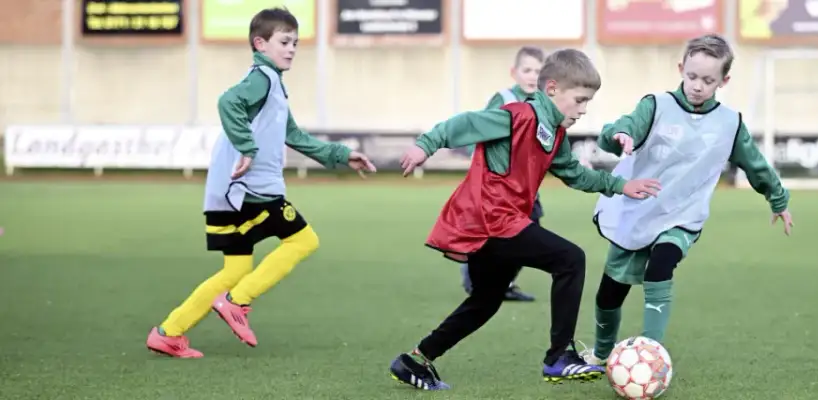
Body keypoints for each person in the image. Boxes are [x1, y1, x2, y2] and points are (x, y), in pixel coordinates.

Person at [388, 48, 662, 390]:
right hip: (491, 221)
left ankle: (416, 359)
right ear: (551, 89)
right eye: (579, 100)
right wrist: (424, 146)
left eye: (588, 101)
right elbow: (464, 123)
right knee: (570, 259)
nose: (583, 109)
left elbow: (575, 174)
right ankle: (558, 357)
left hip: (500, 224)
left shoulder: (555, 132)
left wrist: (622, 185)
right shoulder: (516, 115)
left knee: (486, 301)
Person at [144, 7, 377, 358]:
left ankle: (169, 332)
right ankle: (237, 302)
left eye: (295, 42)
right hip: (249, 190)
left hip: (228, 192)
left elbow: (293, 135)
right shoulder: (262, 78)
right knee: (303, 240)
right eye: (284, 41)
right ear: (260, 44)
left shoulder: (272, 84)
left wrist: (341, 155)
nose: (292, 48)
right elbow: (228, 102)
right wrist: (248, 148)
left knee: (235, 269)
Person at [577, 34, 793, 365]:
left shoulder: (729, 123)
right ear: (681, 68)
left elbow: (755, 164)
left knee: (661, 266)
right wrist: (618, 135)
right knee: (610, 293)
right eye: (692, 76)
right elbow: (625, 126)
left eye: (708, 80)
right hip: (637, 211)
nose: (697, 86)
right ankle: (602, 353)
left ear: (724, 80)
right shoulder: (656, 105)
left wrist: (778, 199)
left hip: (682, 216)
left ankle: (650, 356)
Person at [458, 46, 547, 302]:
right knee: (492, 234)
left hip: (527, 185)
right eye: (527, 70)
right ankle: (475, 281)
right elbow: (481, 129)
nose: (532, 76)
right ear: (514, 72)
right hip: (499, 185)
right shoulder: (504, 99)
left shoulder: (544, 103)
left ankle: (504, 282)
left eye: (538, 71)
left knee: (529, 231)